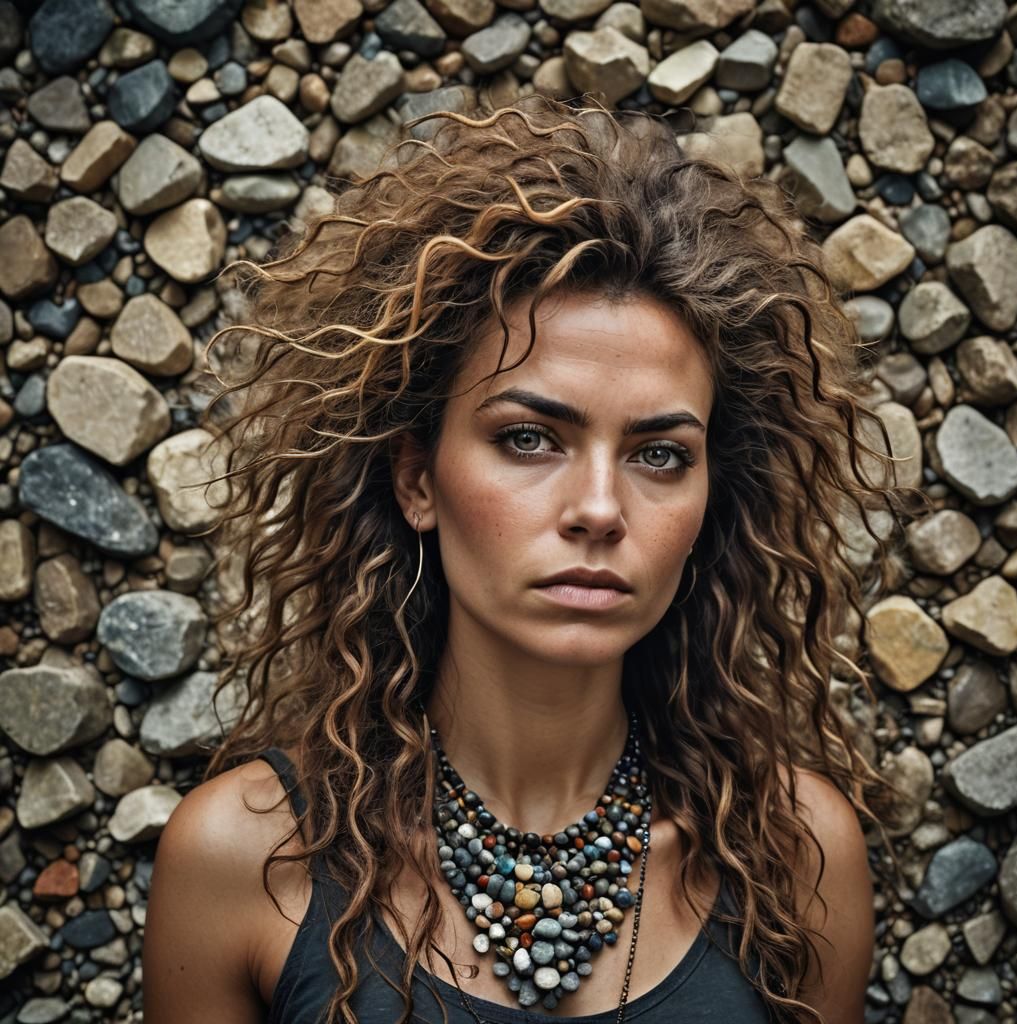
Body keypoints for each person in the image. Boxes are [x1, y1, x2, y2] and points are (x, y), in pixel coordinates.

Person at [142, 95, 911, 1024]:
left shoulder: (797, 853)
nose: (598, 509)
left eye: (660, 455)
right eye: (529, 439)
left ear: (712, 501)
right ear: (417, 479)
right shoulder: (242, 859)